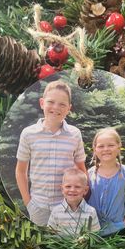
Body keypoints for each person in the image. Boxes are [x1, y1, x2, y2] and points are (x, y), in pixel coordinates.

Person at [15, 80, 86, 226]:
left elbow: (81, 170)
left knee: (67, 246)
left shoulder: (75, 134)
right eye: (51, 102)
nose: (56, 107)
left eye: (62, 104)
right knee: (41, 247)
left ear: (69, 108)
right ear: (42, 103)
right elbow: (21, 171)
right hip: (38, 207)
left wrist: (81, 199)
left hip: (67, 207)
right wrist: (28, 203)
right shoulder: (28, 134)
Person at [87, 127, 125, 236]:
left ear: (119, 146)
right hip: (91, 230)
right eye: (101, 146)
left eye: (111, 145)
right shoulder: (89, 174)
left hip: (117, 230)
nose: (106, 149)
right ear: (95, 149)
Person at [48, 167, 100, 236]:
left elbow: (95, 235)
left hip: (83, 247)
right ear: (62, 189)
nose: (72, 190)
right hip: (61, 246)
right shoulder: (56, 211)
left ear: (85, 190)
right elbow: (49, 234)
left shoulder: (91, 212)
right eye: (68, 186)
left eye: (77, 187)